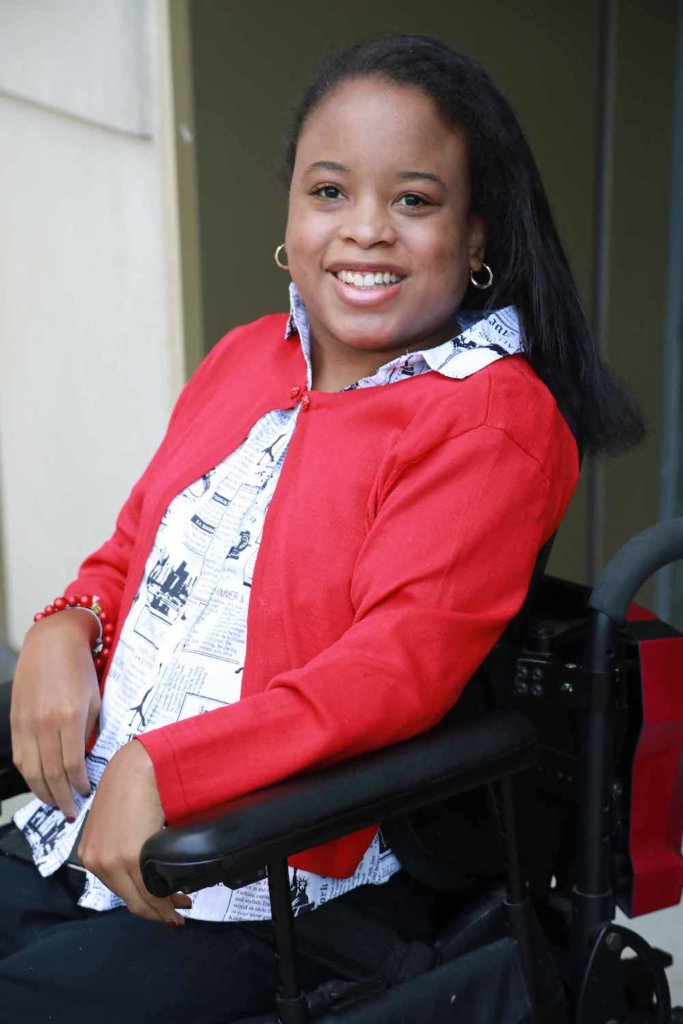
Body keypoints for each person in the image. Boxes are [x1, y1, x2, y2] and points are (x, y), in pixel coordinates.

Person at [0, 32, 643, 1024]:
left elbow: (389, 670)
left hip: (274, 886)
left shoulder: (491, 418)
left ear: (478, 238)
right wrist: (65, 621)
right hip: (86, 830)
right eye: (329, 192)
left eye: (414, 200)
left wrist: (168, 768)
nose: (365, 231)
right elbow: (133, 547)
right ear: (291, 212)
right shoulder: (249, 356)